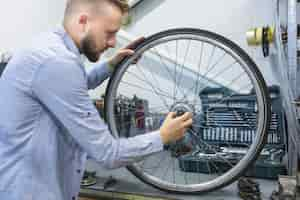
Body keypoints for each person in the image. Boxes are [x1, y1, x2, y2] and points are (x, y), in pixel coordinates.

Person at [0, 0, 193, 199]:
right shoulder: (57, 62)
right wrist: (162, 137)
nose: (112, 42)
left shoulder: (49, 47)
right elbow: (108, 153)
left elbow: (69, 87)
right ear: (83, 21)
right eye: (109, 33)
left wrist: (110, 64)